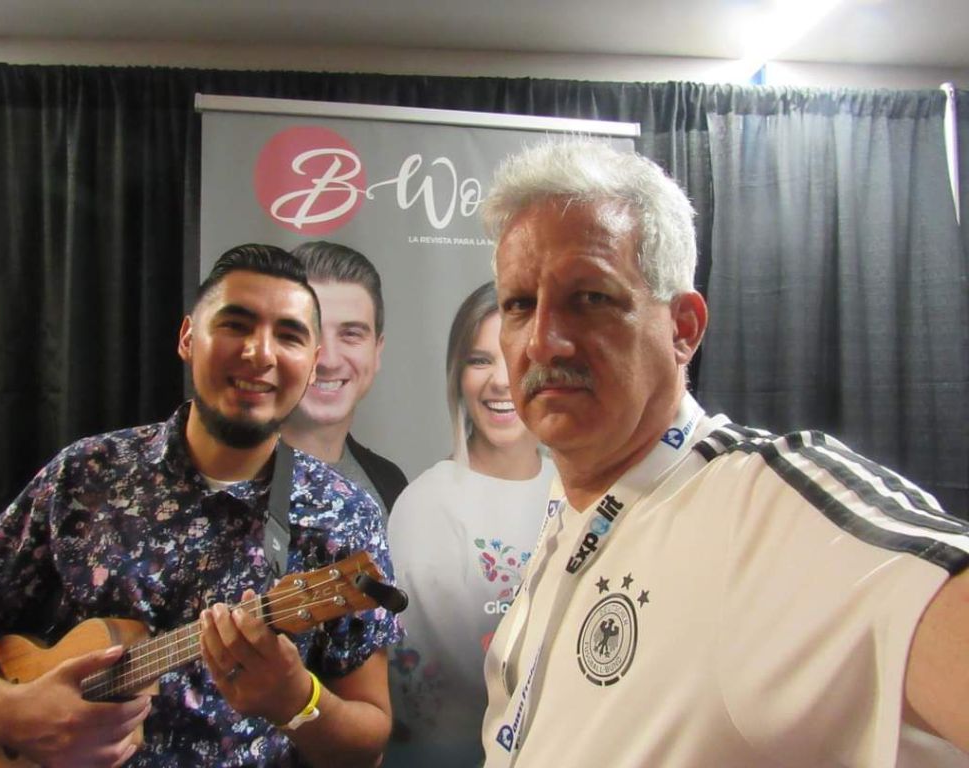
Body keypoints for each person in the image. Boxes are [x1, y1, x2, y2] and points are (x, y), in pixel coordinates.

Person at [478, 138, 969, 767]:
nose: (543, 342)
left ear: (682, 329)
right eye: (520, 305)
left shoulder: (762, 506)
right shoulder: (574, 508)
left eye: (591, 298)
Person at [0, 244, 402, 767]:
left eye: (289, 336)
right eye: (236, 325)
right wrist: (7, 714)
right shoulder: (86, 473)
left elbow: (368, 742)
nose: (261, 354)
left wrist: (297, 702)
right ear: (188, 338)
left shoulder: (344, 515)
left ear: (312, 360)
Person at [385, 282, 554, 767]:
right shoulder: (427, 506)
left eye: (519, 357)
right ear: (457, 377)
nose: (500, 381)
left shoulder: (576, 490)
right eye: (480, 361)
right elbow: (440, 690)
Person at [282, 241, 407, 520]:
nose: (328, 360)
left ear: (377, 351)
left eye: (351, 334)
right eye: (307, 333)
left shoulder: (390, 484)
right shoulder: (229, 479)